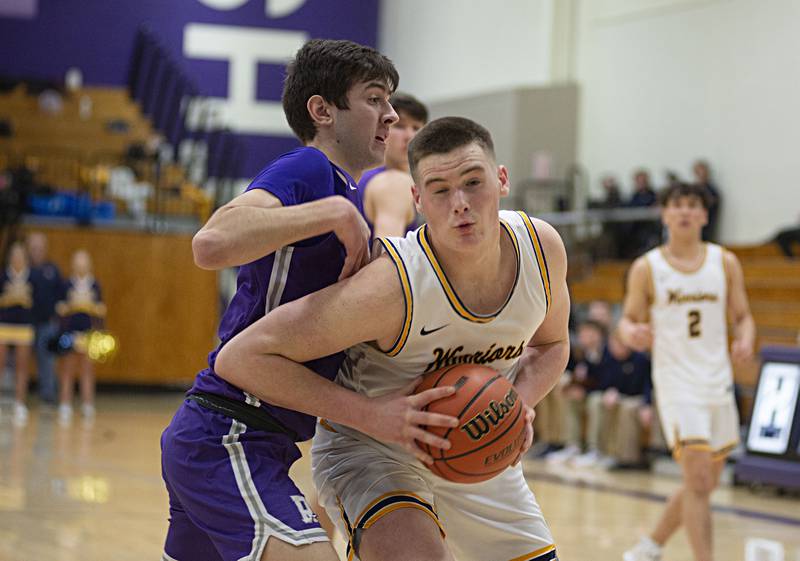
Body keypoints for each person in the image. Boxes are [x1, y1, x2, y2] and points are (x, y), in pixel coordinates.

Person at [216, 116, 571, 561]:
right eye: (440, 189)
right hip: (373, 447)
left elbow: (553, 345)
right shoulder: (392, 287)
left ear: (501, 180)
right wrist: (372, 415)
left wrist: (520, 400)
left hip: (476, 441)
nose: (459, 203)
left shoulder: (542, 249)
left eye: (473, 182)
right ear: (418, 200)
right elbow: (242, 356)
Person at [160, 39, 454, 561]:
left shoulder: (346, 193)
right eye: (374, 99)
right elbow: (211, 243)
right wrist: (332, 215)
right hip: (231, 431)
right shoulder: (312, 171)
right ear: (321, 111)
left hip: (252, 440)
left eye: (391, 102)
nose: (390, 115)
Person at [619, 183, 755, 561]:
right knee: (697, 478)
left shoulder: (724, 262)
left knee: (705, 483)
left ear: (704, 216)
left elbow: (743, 317)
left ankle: (651, 546)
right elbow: (626, 322)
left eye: (692, 205)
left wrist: (745, 339)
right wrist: (633, 332)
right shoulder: (647, 267)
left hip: (717, 381)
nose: (684, 212)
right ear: (665, 215)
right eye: (676, 205)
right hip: (677, 382)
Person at [359, 92, 428, 239]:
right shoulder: (394, 183)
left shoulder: (363, 176)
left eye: (416, 128)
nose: (409, 135)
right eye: (400, 126)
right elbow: (387, 257)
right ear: (379, 130)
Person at [55, 249, 106, 424]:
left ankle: (87, 404)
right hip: (70, 333)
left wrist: (90, 306)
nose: (81, 265)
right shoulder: (66, 284)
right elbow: (60, 309)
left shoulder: (95, 285)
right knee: (68, 369)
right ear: (73, 264)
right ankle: (65, 404)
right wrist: (71, 305)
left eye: (84, 261)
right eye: (78, 261)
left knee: (87, 370)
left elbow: (101, 310)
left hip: (89, 334)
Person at [0, 242, 35, 426]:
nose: (17, 258)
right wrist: (8, 298)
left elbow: (39, 303)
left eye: (21, 255)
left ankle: (19, 403)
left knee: (22, 366)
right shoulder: (3, 276)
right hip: (4, 325)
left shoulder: (32, 277)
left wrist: (26, 298)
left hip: (24, 327)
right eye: (14, 255)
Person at [27, 231, 63, 405]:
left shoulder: (52, 270)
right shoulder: (24, 269)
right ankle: (19, 396)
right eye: (33, 248)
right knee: (20, 359)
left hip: (47, 323)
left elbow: (61, 294)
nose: (37, 251)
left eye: (40, 247)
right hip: (25, 324)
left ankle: (48, 395)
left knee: (47, 360)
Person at [691, 160, 720, 242]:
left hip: (707, 227)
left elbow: (712, 202)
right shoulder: (693, 188)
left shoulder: (712, 190)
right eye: (698, 172)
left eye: (702, 171)